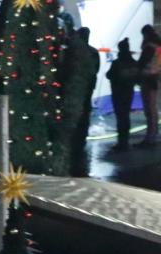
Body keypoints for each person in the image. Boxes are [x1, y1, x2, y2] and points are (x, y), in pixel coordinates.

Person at [62, 27, 102, 176]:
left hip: (78, 89)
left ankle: (75, 142)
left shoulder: (75, 52)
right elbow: (96, 69)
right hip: (88, 88)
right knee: (85, 113)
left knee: (77, 115)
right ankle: (81, 141)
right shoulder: (93, 52)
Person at [107, 38, 140, 152]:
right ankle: (125, 141)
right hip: (128, 92)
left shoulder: (117, 63)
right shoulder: (133, 62)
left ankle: (121, 142)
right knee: (125, 116)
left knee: (120, 117)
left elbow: (109, 75)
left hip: (118, 93)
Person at [137, 24, 161, 147]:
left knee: (149, 109)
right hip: (155, 78)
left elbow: (142, 63)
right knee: (152, 108)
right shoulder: (160, 46)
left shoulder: (149, 47)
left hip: (147, 79)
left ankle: (150, 137)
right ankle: (153, 134)